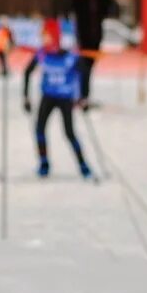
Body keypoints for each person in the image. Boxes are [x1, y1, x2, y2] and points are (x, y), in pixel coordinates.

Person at [22, 21, 92, 179]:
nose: (43, 39)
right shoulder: (42, 53)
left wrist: (84, 97)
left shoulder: (70, 56)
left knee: (69, 133)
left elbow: (84, 73)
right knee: (39, 129)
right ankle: (44, 163)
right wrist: (26, 97)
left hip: (65, 98)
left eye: (46, 36)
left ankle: (83, 165)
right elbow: (27, 72)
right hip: (48, 97)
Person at [69, 0, 117, 107]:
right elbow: (68, 5)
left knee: (87, 70)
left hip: (94, 40)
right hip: (82, 40)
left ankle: (84, 96)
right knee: (80, 69)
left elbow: (112, 6)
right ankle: (77, 95)